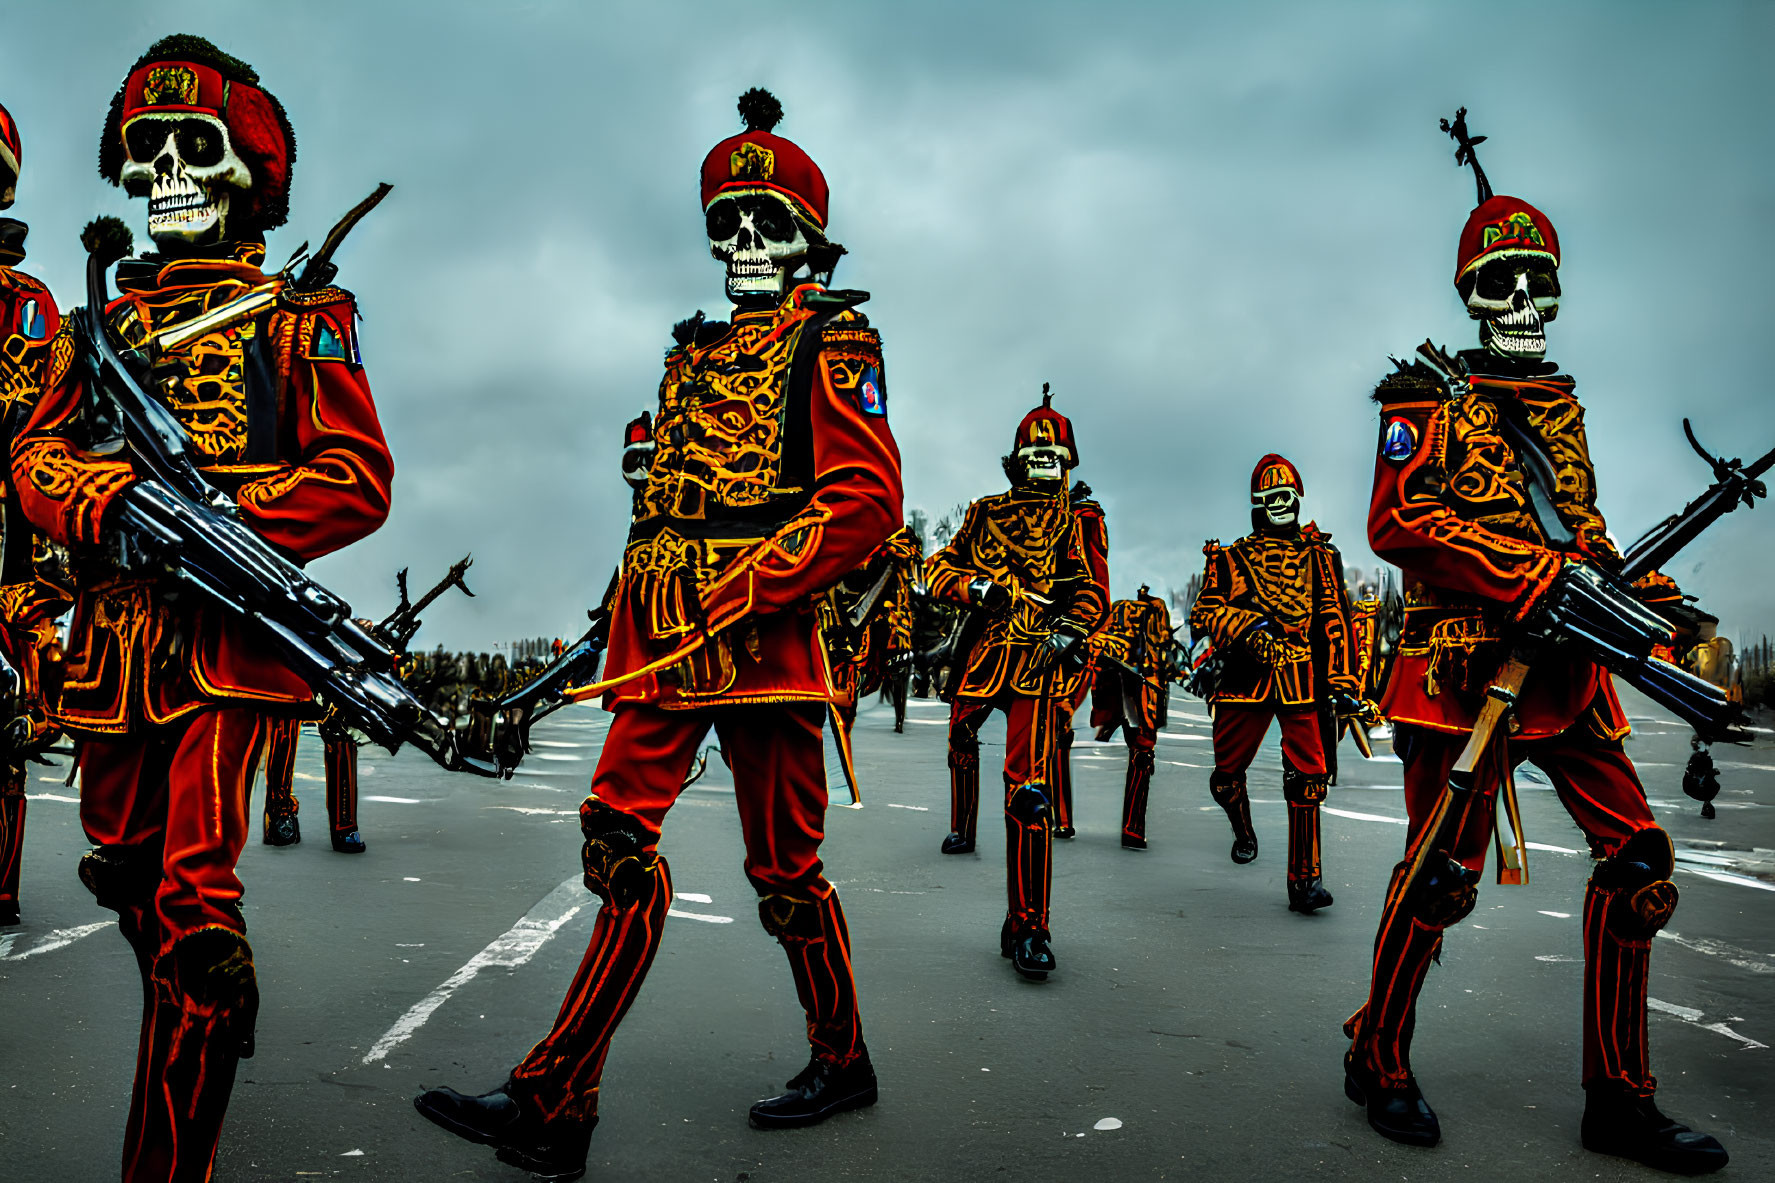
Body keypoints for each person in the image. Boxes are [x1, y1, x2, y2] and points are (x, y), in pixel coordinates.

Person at [414, 88, 901, 1180]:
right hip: (659, 632)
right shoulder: (688, 356)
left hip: (764, 643)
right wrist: (618, 610)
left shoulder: (834, 341)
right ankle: (555, 1096)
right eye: (724, 224)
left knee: (784, 873)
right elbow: (660, 506)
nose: (739, 243)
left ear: (806, 239)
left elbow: (866, 498)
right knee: (614, 839)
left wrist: (753, 580)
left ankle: (842, 1056)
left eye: (763, 223)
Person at [12, 37, 394, 1180]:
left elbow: (354, 477)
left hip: (228, 645)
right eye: (147, 151)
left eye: (196, 148)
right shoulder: (100, 331)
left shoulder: (298, 312)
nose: (167, 170)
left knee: (193, 908)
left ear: (247, 175)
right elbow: (31, 458)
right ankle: (203, 1026)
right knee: (126, 874)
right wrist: (101, 500)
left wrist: (220, 519)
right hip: (114, 648)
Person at [1341, 110, 1727, 1174]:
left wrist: (1644, 597)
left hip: (1568, 671)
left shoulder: (1559, 407)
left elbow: (1582, 533)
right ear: (1466, 294)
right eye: (1497, 282)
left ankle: (1619, 1096)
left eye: (1536, 281)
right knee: (1438, 875)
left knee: (1640, 862)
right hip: (1461, 670)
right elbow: (1398, 523)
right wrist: (1532, 577)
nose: (1520, 302)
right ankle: (1376, 1055)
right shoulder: (1419, 398)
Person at [926, 387, 1108, 979]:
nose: (1044, 465)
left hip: (1037, 662)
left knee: (1029, 795)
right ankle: (961, 825)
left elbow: (1092, 592)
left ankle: (1030, 925)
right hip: (985, 655)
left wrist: (1071, 628)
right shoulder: (984, 512)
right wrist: (978, 588)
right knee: (959, 739)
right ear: (1015, 462)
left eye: (1054, 458)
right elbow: (939, 569)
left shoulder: (1079, 522)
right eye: (1034, 457)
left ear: (1068, 463)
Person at [1189, 453, 1360, 913]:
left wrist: (1344, 680)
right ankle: (1242, 827)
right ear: (1257, 504)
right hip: (1244, 679)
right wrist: (1247, 629)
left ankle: (1305, 882)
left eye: (1287, 496)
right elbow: (1204, 612)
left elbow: (1334, 619)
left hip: (1300, 677)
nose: (1280, 504)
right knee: (1226, 778)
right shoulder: (1229, 557)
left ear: (1297, 499)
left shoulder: (1321, 557)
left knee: (1308, 779)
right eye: (1271, 498)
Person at [0, 98, 74, 927]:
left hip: (7, 549)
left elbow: (40, 431)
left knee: (5, 730)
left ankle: (1, 883)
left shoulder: (30, 305)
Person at [1089, 586, 1175, 849]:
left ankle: (1065, 820)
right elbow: (1164, 654)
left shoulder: (1119, 614)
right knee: (1141, 751)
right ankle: (1133, 828)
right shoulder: (1154, 613)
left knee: (1140, 752)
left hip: (1120, 679)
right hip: (1141, 683)